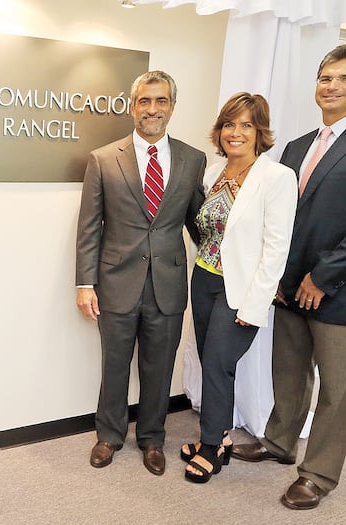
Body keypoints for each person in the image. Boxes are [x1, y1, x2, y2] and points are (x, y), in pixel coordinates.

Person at [231, 44, 346, 509]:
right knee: (289, 374)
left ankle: (318, 474)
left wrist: (323, 276)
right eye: (326, 77)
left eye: (345, 78)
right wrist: (277, 275)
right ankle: (278, 442)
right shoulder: (297, 147)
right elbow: (283, 220)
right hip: (290, 287)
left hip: (345, 290)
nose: (331, 85)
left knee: (337, 388)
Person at [76, 70, 206, 475]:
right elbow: (89, 227)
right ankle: (109, 435)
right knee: (113, 365)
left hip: (167, 284)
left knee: (159, 367)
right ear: (133, 106)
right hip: (115, 283)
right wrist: (84, 283)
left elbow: (198, 224)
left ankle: (152, 438)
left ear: (171, 106)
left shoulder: (192, 159)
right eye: (145, 101)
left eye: (161, 101)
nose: (153, 109)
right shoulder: (103, 159)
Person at [179, 93, 296, 483]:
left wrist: (255, 305)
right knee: (211, 361)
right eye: (230, 124)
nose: (236, 132)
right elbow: (203, 231)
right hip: (204, 279)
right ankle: (221, 436)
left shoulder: (276, 177)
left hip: (241, 289)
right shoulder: (213, 173)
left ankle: (211, 447)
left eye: (247, 125)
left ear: (260, 131)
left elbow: (276, 248)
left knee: (217, 363)